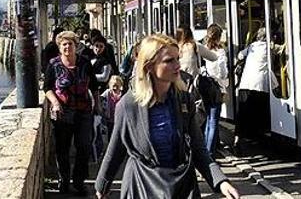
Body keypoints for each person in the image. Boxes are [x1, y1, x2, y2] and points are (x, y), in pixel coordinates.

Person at [94, 34, 240, 199]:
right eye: (169, 61)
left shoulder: (184, 98)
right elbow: (116, 149)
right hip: (142, 185)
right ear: (149, 66)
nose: (178, 65)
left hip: (180, 186)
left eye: (177, 58)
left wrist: (221, 182)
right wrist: (102, 185)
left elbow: (198, 148)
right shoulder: (128, 105)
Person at [43, 30, 95, 195]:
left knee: (84, 147)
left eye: (70, 44)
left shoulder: (85, 63)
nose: (67, 47)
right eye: (64, 44)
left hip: (84, 111)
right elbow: (47, 87)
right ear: (60, 47)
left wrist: (98, 105)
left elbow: (93, 85)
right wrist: (56, 103)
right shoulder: (54, 64)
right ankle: (64, 181)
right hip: (63, 113)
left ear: (76, 46)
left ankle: (79, 182)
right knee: (62, 149)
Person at [233, 27, 272, 151]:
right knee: (260, 113)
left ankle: (237, 140)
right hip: (260, 86)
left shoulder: (252, 46)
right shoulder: (269, 47)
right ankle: (259, 140)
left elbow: (239, 56)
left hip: (245, 84)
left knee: (243, 115)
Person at [201, 24, 229, 155]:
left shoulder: (205, 49)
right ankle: (210, 152)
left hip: (206, 86)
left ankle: (206, 149)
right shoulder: (221, 52)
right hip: (217, 87)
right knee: (213, 121)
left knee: (207, 119)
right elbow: (223, 72)